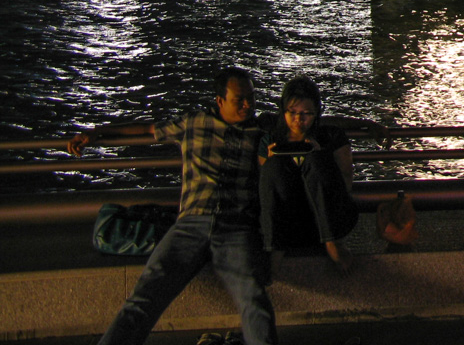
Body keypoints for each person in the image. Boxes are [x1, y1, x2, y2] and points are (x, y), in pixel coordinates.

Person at [69, 67, 277, 345]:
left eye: (251, 97)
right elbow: (147, 129)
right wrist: (97, 134)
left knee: (253, 299)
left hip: (236, 225)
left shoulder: (261, 130)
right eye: (240, 99)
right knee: (146, 295)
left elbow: (307, 120)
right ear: (219, 101)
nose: (248, 105)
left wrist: (351, 124)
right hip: (190, 225)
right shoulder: (193, 123)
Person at [259, 75, 364, 271]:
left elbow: (345, 181)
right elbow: (267, 190)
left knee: (316, 160)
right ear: (283, 111)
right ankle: (275, 246)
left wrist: (321, 157)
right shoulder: (271, 139)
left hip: (329, 214)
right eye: (292, 112)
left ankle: (333, 242)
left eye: (307, 113)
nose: (299, 119)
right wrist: (272, 159)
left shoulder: (330, 136)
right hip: (291, 217)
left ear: (317, 113)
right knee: (273, 166)